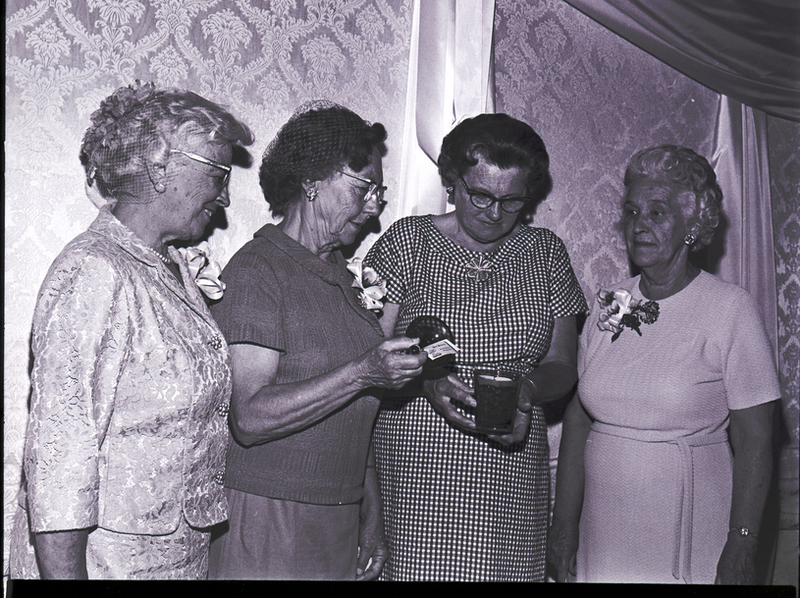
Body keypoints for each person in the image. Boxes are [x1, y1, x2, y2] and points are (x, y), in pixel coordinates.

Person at [9, 82, 254, 579]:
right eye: (218, 173)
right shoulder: (93, 271)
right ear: (160, 166)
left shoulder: (170, 266)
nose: (226, 196)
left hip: (175, 558)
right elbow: (60, 460)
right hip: (105, 564)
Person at [207, 101, 427, 581]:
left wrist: (370, 509)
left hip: (336, 516)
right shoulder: (259, 270)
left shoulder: (343, 279)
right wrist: (364, 371)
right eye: (362, 188)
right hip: (270, 516)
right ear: (311, 181)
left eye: (379, 192)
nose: (374, 206)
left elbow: (354, 410)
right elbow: (250, 417)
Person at [363, 112, 587, 581]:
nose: (494, 213)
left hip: (511, 468)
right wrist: (426, 381)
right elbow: (369, 360)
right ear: (452, 181)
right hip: (417, 467)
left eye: (511, 200)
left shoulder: (546, 253)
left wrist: (527, 389)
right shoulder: (407, 242)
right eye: (480, 195)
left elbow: (563, 364)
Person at [548, 145, 781, 584]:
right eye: (632, 212)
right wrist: (563, 526)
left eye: (657, 213)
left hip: (685, 529)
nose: (640, 225)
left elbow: (755, 438)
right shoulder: (611, 302)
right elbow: (578, 422)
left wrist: (743, 544)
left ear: (693, 224)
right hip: (603, 529)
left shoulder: (730, 309)